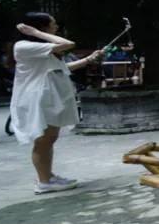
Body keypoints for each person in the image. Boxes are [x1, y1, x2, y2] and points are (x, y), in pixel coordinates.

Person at [10, 13, 103, 194]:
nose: (56, 27)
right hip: (39, 99)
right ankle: (44, 182)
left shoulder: (41, 48)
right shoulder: (23, 46)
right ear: (41, 27)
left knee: (49, 139)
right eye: (53, 24)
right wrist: (36, 32)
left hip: (50, 98)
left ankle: (47, 176)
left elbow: (60, 68)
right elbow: (69, 44)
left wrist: (88, 59)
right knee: (43, 141)